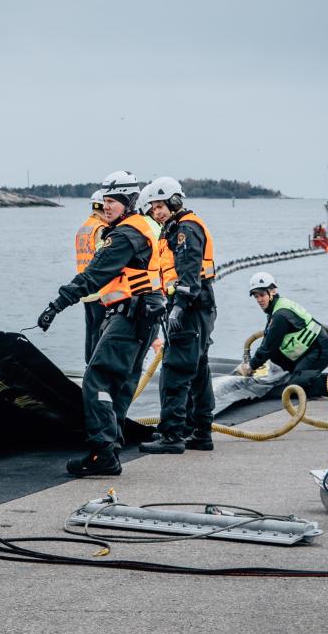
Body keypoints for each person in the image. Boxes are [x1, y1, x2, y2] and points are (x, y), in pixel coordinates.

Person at [37, 170, 164, 476]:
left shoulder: (123, 235)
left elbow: (95, 274)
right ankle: (110, 448)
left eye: (113, 202)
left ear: (128, 201)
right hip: (146, 315)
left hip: (130, 315)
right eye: (105, 201)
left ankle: (102, 452)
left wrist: (57, 304)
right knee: (120, 385)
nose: (107, 207)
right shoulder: (145, 226)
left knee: (96, 379)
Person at [139, 177, 216, 454]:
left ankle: (172, 435)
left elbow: (189, 272)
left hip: (190, 308)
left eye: (160, 206)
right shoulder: (178, 227)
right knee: (198, 370)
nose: (157, 213)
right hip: (198, 307)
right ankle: (201, 431)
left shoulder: (184, 229)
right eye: (153, 209)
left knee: (175, 370)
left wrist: (179, 306)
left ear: (174, 202)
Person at [234, 272, 328, 399]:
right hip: (309, 349)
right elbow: (268, 340)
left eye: (261, 295)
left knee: (296, 387)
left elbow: (268, 347)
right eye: (256, 296)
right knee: (276, 357)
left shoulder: (280, 315)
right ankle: (303, 375)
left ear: (272, 291)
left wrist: (250, 366)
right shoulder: (277, 307)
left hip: (320, 349)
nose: (259, 300)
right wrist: (254, 362)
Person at [75, 190, 111, 363]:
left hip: (85, 288)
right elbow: (104, 259)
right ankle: (96, 370)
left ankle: (88, 366)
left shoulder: (84, 227)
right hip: (99, 290)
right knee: (99, 331)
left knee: (90, 330)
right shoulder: (101, 229)